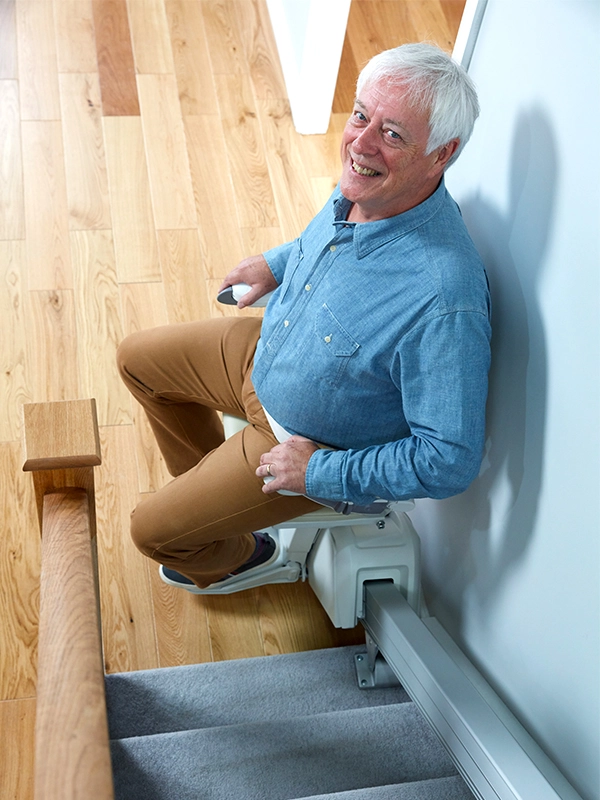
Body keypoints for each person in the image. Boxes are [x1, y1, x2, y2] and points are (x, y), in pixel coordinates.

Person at [117, 42, 491, 592]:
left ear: (441, 154)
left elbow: (449, 460)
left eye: (392, 134)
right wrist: (277, 263)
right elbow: (325, 246)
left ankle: (239, 555)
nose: (360, 142)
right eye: (361, 115)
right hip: (265, 350)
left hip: (296, 438)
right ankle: (214, 504)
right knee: (137, 361)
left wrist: (319, 472)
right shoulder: (369, 187)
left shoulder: (443, 299)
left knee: (153, 533)